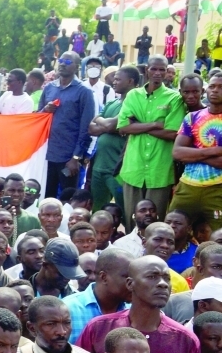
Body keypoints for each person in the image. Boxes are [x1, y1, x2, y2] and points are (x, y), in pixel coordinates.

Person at [118, 55, 185, 231]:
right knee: (133, 220)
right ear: (147, 70)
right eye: (154, 69)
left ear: (167, 72)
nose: (157, 73)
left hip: (160, 170)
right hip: (134, 168)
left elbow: (172, 133)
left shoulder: (174, 98)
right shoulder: (133, 95)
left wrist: (138, 125)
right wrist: (156, 124)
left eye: (162, 69)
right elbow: (123, 127)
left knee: (156, 222)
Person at [38, 52, 96, 199]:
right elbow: (38, 118)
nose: (63, 64)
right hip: (47, 156)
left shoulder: (84, 92)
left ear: (77, 67)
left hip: (68, 158)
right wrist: (45, 110)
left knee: (68, 198)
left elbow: (86, 128)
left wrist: (76, 158)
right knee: (46, 196)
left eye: (68, 62)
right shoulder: (49, 88)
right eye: (61, 60)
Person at [171, 72, 222, 231]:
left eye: (220, 87)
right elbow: (178, 153)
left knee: (218, 238)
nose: (215, 90)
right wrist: (215, 150)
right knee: (171, 231)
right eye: (212, 86)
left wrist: (193, 153)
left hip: (217, 188)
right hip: (187, 187)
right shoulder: (192, 118)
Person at [88, 66, 139, 211]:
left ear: (130, 81)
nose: (114, 82)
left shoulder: (135, 104)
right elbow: (91, 128)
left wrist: (105, 124)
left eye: (117, 79)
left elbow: (109, 125)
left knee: (123, 210)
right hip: (99, 167)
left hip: (118, 169)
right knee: (98, 209)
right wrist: (110, 126)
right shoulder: (112, 103)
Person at [62, 248, 134, 344]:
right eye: (127, 277)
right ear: (104, 277)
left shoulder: (134, 311)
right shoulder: (67, 309)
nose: (133, 284)